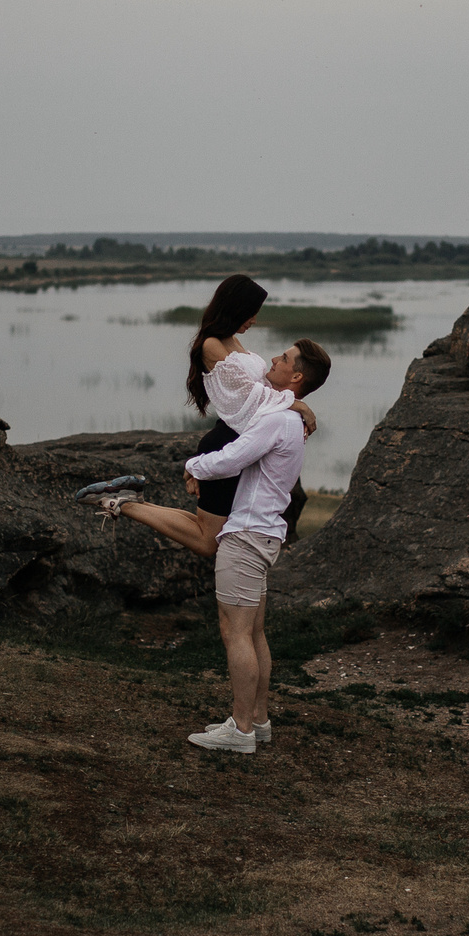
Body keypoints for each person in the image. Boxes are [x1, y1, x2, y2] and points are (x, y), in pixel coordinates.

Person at [78, 274, 314, 557]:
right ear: (236, 307)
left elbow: (260, 390)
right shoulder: (211, 345)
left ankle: (126, 500)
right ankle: (124, 504)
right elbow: (249, 400)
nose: (253, 320)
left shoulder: (233, 342)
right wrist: (297, 404)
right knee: (207, 541)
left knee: (209, 530)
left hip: (236, 441)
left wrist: (291, 404)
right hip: (225, 442)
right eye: (252, 313)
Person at [170, 339, 329, 753]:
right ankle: (258, 721)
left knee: (235, 632)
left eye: (282, 359)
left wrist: (192, 467)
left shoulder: (278, 422)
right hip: (261, 533)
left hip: (244, 536)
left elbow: (231, 458)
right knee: (254, 633)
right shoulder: (289, 420)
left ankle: (239, 731)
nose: (273, 360)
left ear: (295, 376)